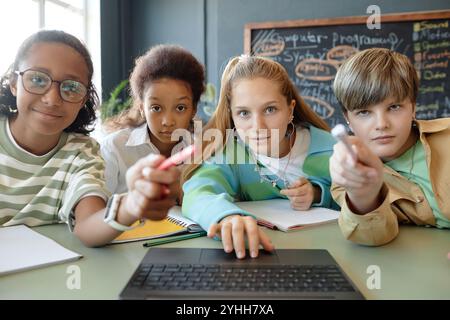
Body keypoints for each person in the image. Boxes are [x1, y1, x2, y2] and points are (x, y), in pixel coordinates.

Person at [0, 30, 179, 247]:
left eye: (71, 87)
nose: (52, 99)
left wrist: (132, 205)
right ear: (13, 82)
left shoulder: (82, 152)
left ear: (84, 98)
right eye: (37, 79)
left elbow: (88, 227)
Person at [182, 55, 338, 259]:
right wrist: (227, 216)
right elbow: (198, 192)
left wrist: (319, 193)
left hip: (325, 251)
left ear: (290, 110)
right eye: (244, 113)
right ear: (232, 115)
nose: (258, 126)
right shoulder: (233, 153)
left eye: (270, 109)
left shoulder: (331, 149)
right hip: (262, 253)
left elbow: (363, 199)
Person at [330, 47, 450, 246]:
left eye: (394, 107)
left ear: (413, 107)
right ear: (347, 118)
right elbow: (374, 237)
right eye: (364, 112)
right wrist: (364, 196)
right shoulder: (349, 178)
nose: (381, 124)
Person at [101, 44, 205, 198]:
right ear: (142, 107)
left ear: (193, 109)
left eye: (180, 108)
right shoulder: (114, 147)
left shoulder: (204, 149)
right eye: (156, 108)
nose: (167, 122)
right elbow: (97, 210)